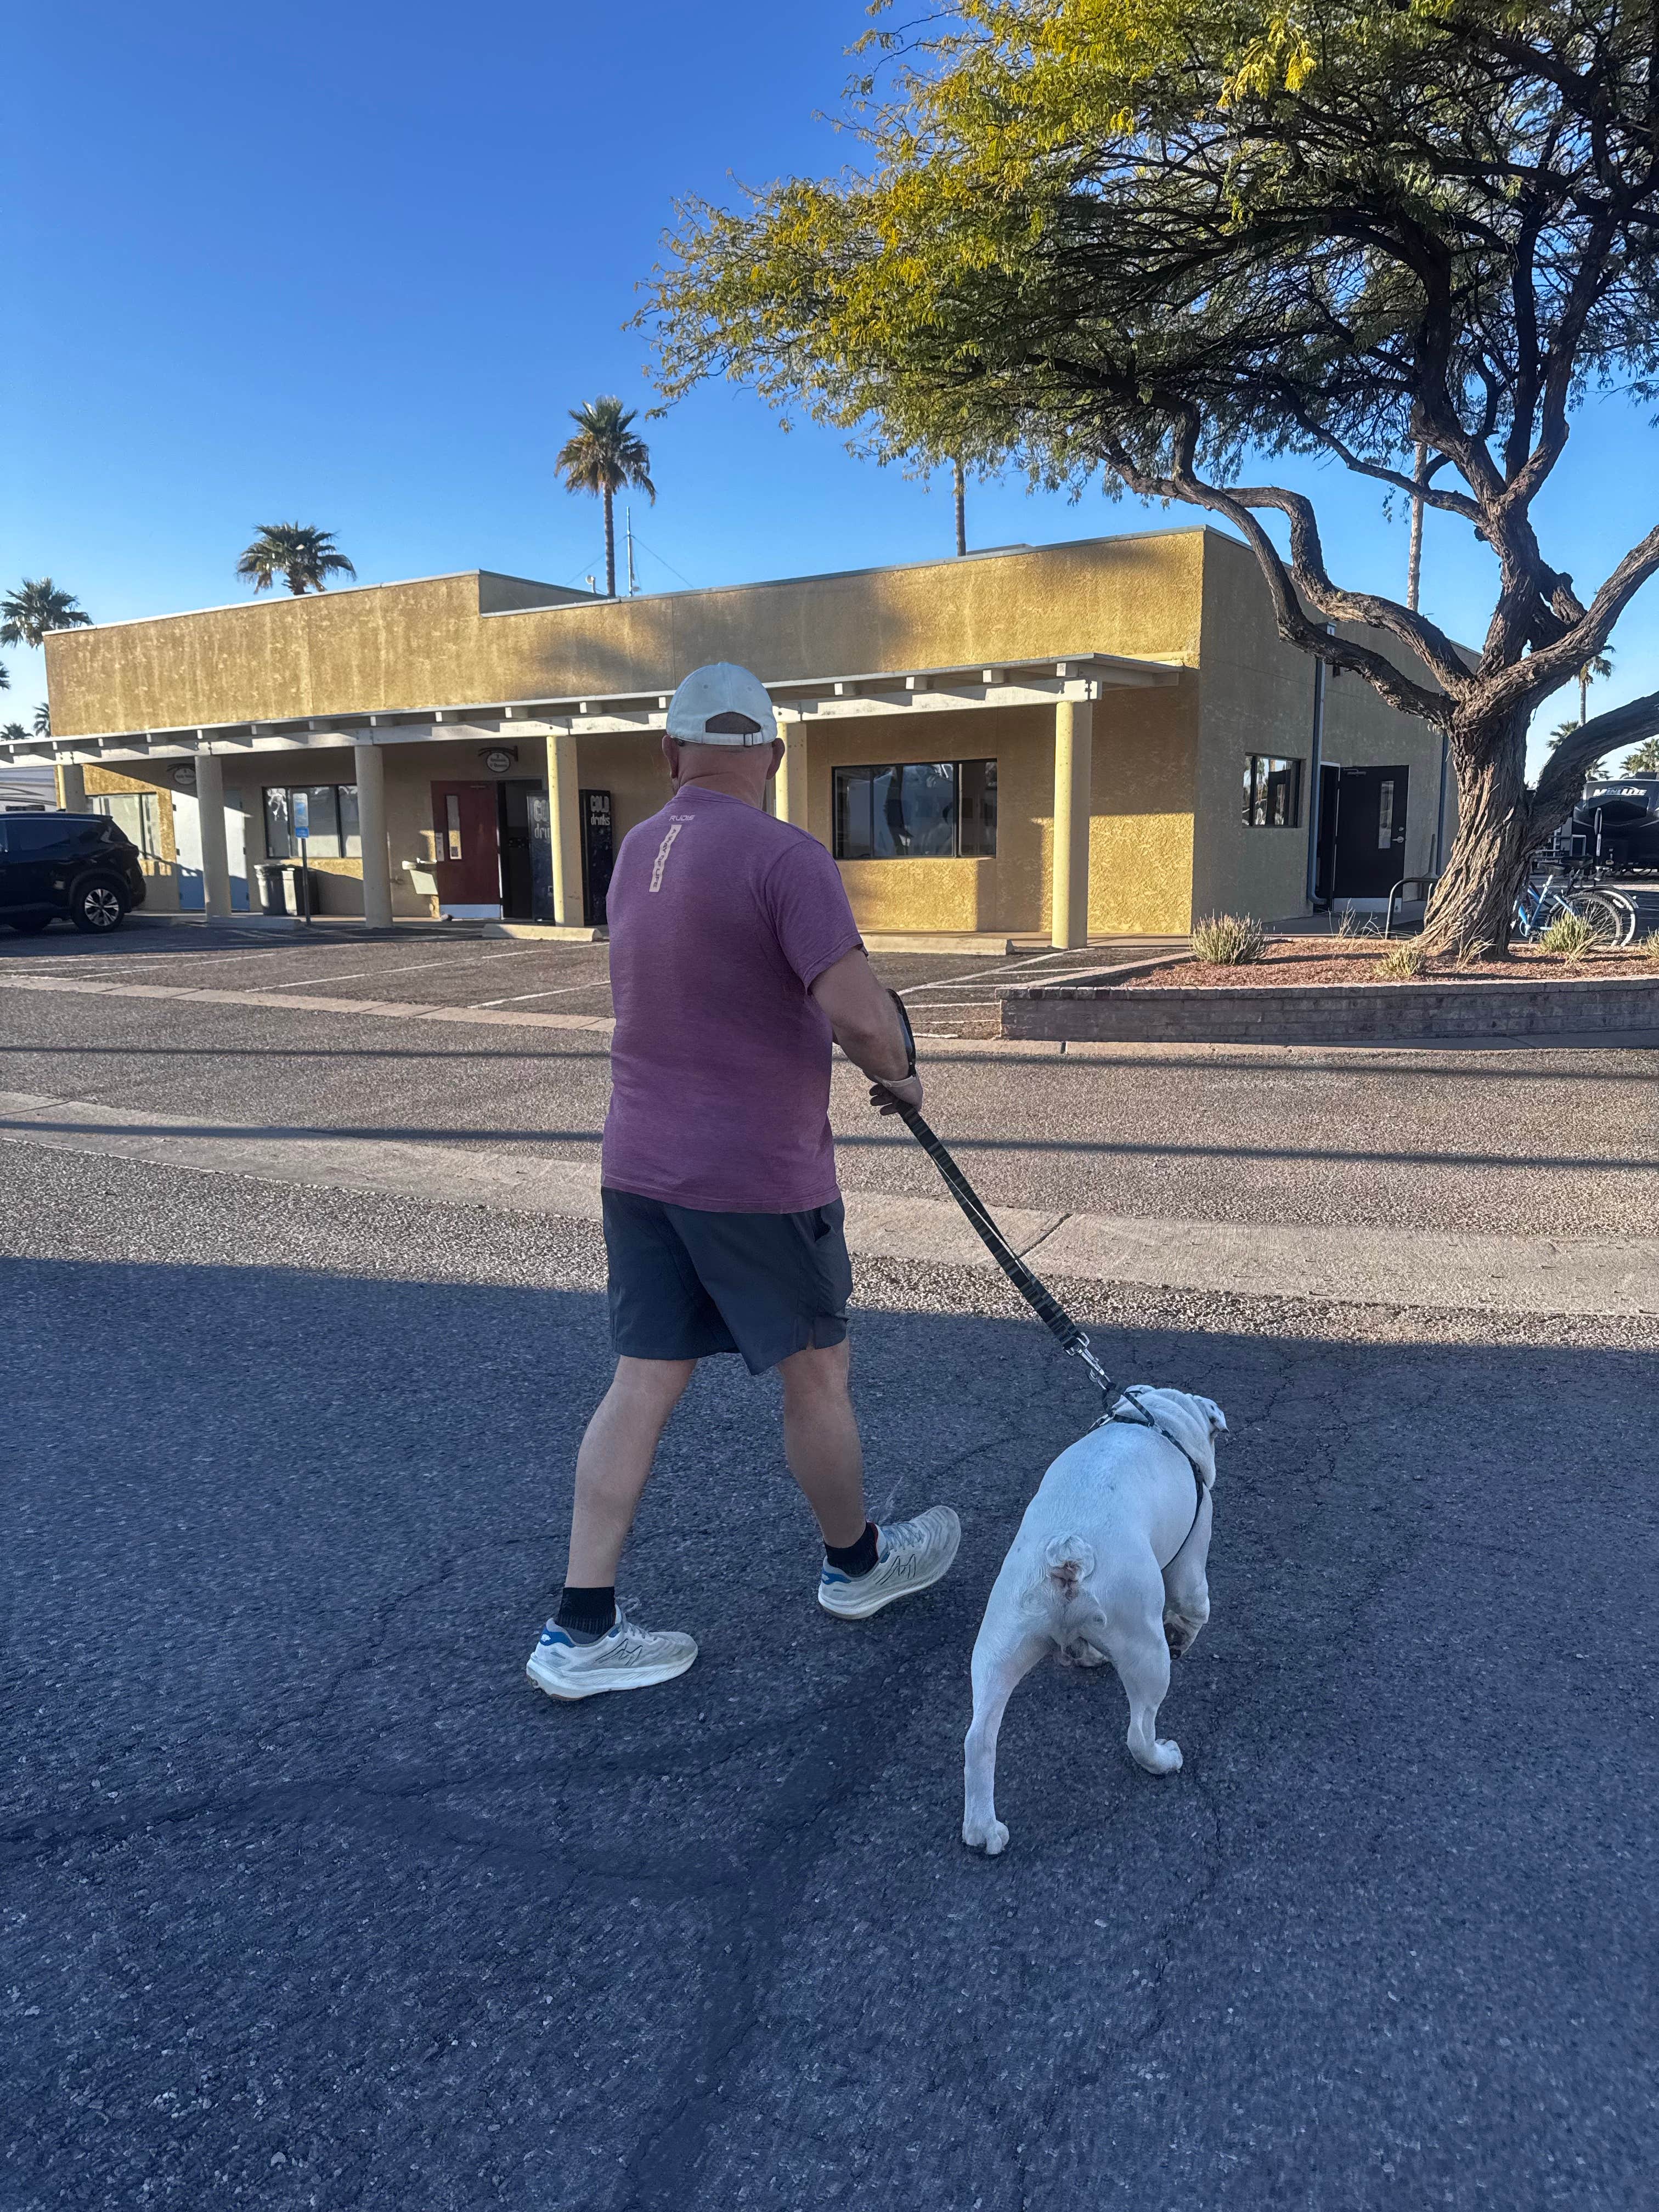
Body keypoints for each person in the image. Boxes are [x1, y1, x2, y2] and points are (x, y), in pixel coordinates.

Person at [526, 662, 961, 1701]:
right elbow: (858, 1011)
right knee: (816, 1374)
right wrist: (899, 1078)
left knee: (640, 1382)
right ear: (772, 753)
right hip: (757, 1177)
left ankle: (578, 1629)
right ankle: (855, 1568)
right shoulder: (785, 855)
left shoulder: (637, 852)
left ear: (671, 754)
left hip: (639, 1166)